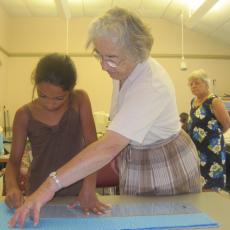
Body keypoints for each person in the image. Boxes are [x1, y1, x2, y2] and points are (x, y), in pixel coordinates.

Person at [9, 7, 201, 228]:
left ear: (136, 53)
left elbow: (108, 146)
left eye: (110, 57)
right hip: (137, 156)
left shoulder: (150, 85)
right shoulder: (120, 67)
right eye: (99, 54)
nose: (102, 64)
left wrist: (48, 187)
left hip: (166, 160)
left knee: (166, 222)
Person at [5, 53, 108, 213]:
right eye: (42, 95)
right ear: (36, 85)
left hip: (77, 192)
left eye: (59, 98)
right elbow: (14, 161)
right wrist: (12, 187)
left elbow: (92, 147)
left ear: (71, 89)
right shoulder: (24, 115)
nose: (50, 104)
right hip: (39, 193)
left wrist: (88, 187)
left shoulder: (80, 100)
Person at [187, 69, 230, 191]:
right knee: (200, 183)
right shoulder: (193, 101)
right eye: (191, 84)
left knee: (211, 185)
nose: (193, 86)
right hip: (198, 150)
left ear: (206, 84)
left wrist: (213, 137)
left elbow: (226, 124)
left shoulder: (214, 101)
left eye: (197, 83)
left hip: (212, 151)